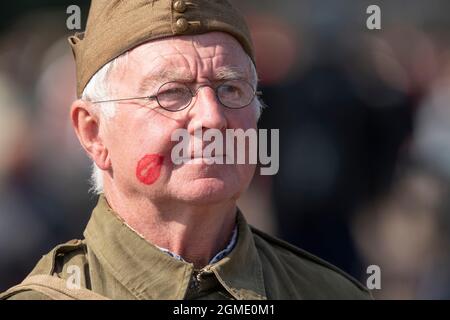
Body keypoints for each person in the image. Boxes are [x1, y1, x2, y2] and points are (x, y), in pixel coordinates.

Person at [1, 0, 371, 300]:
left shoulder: (328, 292)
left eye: (230, 89)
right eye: (172, 93)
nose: (212, 119)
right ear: (94, 132)